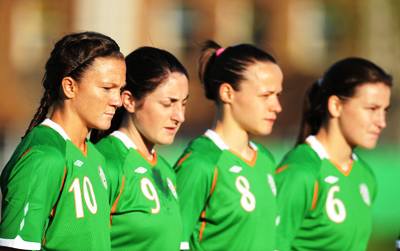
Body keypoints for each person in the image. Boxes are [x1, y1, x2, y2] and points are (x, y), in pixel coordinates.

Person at [0, 31, 126, 250]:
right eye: (107, 88)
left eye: (120, 89)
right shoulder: (45, 156)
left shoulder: (95, 156)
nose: (117, 101)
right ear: (70, 87)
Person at [174, 40, 283, 251]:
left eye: (277, 95)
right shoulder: (200, 163)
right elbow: (175, 242)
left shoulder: (265, 160)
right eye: (265, 95)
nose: (276, 106)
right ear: (228, 93)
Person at [275, 57, 392, 251]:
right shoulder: (301, 172)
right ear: (335, 105)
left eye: (385, 110)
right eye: (372, 109)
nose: (382, 122)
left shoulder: (364, 175)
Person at [91, 46, 189, 251]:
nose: (179, 116)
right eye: (168, 103)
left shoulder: (165, 170)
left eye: (183, 104)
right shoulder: (105, 162)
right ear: (129, 100)